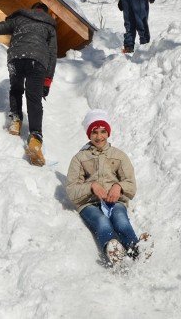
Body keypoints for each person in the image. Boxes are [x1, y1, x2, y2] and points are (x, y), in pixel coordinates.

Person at [0, 3, 57, 166]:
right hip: (37, 61)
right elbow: (52, 55)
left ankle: (16, 120)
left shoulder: (20, 18)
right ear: (45, 12)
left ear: (32, 9)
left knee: (16, 89)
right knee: (34, 98)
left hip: (16, 57)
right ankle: (35, 137)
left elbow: (0, 27)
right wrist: (47, 81)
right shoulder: (49, 26)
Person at [66, 109, 140, 265]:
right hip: (89, 203)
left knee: (121, 220)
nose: (99, 136)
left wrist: (118, 186)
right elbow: (71, 189)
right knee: (102, 222)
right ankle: (113, 250)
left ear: (108, 133)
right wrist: (91, 186)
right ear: (89, 134)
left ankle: (135, 249)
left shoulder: (119, 156)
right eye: (94, 132)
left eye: (103, 131)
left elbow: (131, 184)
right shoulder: (80, 158)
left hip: (114, 200)